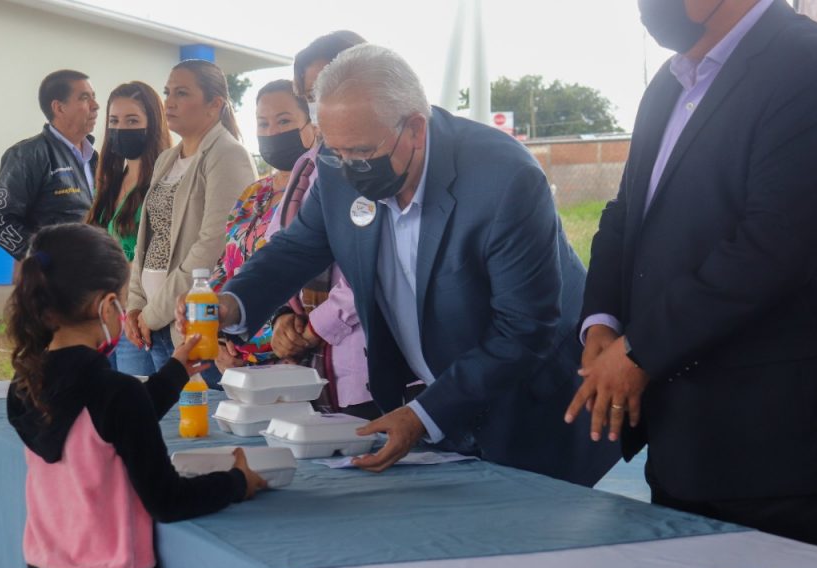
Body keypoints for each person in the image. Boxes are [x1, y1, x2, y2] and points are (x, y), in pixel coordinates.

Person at [198, 45, 620, 485]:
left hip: (531, 409)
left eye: (359, 153)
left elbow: (524, 328)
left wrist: (424, 414)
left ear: (416, 128)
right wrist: (231, 302)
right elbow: (298, 247)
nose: (345, 170)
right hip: (437, 411)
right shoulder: (338, 164)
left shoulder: (504, 180)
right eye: (334, 151)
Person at [565, 0, 817, 550]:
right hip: (682, 437)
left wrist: (640, 350)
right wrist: (602, 323)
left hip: (775, 446)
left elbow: (772, 248)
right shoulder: (669, 85)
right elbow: (625, 216)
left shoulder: (815, 68)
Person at [5, 223, 265, 568]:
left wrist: (175, 372)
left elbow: (109, 424)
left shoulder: (26, 383)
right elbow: (167, 501)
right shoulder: (114, 393)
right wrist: (237, 482)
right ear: (108, 305)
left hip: (43, 566)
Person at [264, 30, 382, 418]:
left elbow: (371, 266)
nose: (320, 105)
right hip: (312, 367)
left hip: (364, 363)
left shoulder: (378, 159)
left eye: (329, 88)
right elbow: (282, 248)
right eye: (311, 95)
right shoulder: (309, 163)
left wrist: (314, 328)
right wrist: (282, 314)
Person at [124, 60, 257, 376]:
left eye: (182, 93)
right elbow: (148, 241)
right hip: (151, 322)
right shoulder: (167, 160)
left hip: (193, 325)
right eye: (168, 92)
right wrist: (134, 307)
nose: (169, 102)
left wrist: (152, 313)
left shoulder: (227, 154)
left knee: (196, 422)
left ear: (215, 104)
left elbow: (213, 244)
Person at [208, 79, 317, 369]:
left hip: (291, 356)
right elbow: (224, 264)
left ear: (310, 123)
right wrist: (216, 334)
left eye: (284, 121)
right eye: (263, 123)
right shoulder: (253, 193)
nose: (272, 132)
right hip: (233, 355)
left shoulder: (317, 193)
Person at [86, 81, 171, 376]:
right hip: (104, 320)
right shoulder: (112, 181)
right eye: (114, 121)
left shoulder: (166, 181)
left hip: (141, 320)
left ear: (153, 124)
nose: (121, 128)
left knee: (144, 410)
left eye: (132, 120)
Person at [0, 69, 99, 260]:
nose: (95, 106)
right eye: (84, 98)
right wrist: (45, 262)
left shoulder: (94, 157)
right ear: (59, 108)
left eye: (94, 97)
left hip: (93, 274)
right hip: (52, 282)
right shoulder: (27, 155)